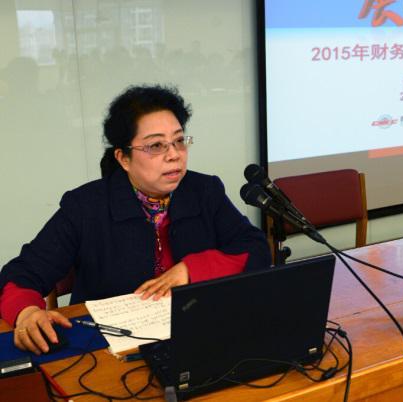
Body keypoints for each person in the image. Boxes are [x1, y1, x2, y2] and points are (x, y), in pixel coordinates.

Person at [0, 85, 271, 354]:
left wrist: (190, 269)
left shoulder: (204, 191)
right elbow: (21, 274)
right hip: (110, 349)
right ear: (123, 158)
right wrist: (26, 312)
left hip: (198, 333)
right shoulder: (85, 207)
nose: (174, 154)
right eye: (156, 146)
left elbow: (255, 247)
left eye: (179, 141)